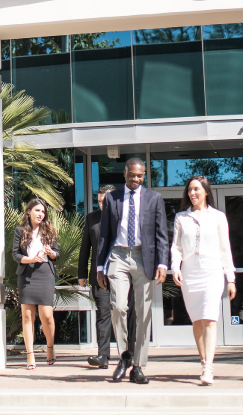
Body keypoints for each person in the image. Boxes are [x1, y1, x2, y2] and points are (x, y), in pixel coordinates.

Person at [96, 158, 169, 384]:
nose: (136, 179)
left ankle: (138, 365)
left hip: (143, 257)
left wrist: (162, 264)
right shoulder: (111, 198)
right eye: (132, 175)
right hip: (118, 255)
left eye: (140, 175)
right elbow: (105, 235)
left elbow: (161, 234)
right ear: (125, 174)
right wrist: (100, 266)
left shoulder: (154, 198)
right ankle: (124, 356)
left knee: (143, 312)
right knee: (118, 306)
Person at [170, 175, 236, 385]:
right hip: (190, 272)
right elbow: (176, 247)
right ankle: (203, 360)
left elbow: (225, 248)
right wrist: (175, 267)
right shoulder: (181, 217)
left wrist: (231, 277)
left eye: (197, 189)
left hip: (212, 270)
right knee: (197, 320)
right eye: (190, 190)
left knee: (209, 318)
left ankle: (209, 367)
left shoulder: (218, 217)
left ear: (206, 191)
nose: (193, 193)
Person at [12, 199, 60, 370]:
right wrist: (30, 259)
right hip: (26, 274)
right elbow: (15, 255)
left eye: (43, 211)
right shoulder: (20, 231)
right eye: (37, 210)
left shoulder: (49, 231)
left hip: (45, 273)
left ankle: (50, 348)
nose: (40, 214)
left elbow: (57, 254)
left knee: (47, 315)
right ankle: (30, 355)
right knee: (27, 316)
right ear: (29, 212)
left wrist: (51, 253)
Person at [78, 185, 116, 369]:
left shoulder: (123, 218)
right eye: (99, 201)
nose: (102, 205)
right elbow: (85, 247)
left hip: (122, 274)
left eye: (105, 201)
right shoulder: (92, 218)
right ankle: (103, 355)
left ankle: (130, 354)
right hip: (99, 276)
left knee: (126, 313)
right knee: (103, 314)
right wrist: (82, 274)